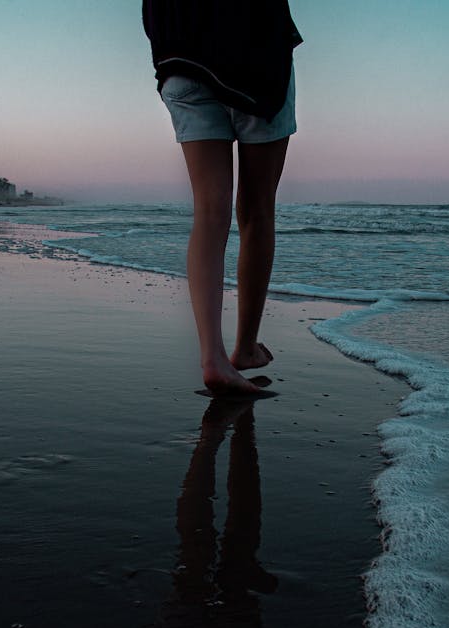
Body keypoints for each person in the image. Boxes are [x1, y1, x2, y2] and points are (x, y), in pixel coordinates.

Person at [142, 1, 303, 394]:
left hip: (180, 57)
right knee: (257, 210)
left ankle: (212, 357)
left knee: (210, 212)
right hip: (254, 57)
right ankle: (244, 348)